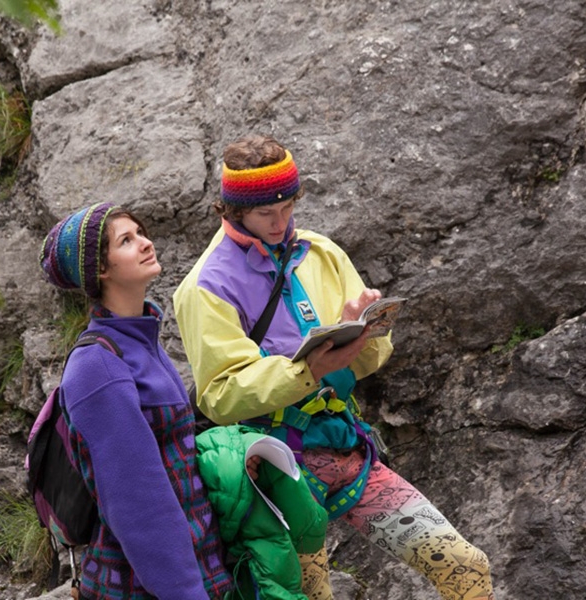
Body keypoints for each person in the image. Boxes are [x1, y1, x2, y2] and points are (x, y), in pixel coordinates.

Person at [172, 135, 496, 600]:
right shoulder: (205, 286)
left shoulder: (320, 252)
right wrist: (308, 370)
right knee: (314, 596)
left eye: (288, 206)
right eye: (266, 213)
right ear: (232, 210)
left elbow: (369, 361)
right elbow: (221, 396)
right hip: (279, 476)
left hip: (347, 449)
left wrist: (363, 332)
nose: (281, 221)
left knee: (467, 568)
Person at [39, 202, 327, 600]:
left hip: (199, 562)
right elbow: (137, 502)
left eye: (140, 232)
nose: (145, 243)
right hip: (143, 582)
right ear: (100, 270)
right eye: (126, 240)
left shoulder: (143, 341)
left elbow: (178, 450)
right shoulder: (98, 366)